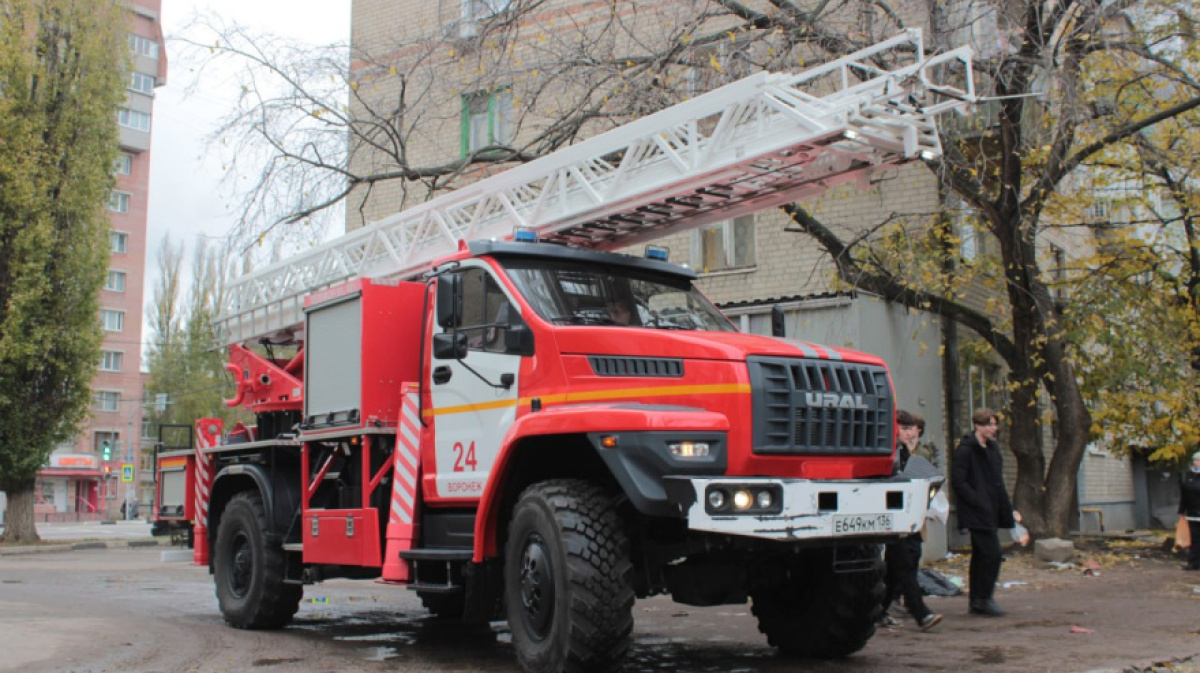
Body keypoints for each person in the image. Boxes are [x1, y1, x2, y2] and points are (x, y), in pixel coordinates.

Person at [952, 407, 1021, 617]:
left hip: (990, 508)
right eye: (989, 424)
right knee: (992, 553)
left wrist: (1006, 509)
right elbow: (959, 481)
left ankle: (978, 599)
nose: (993, 428)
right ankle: (984, 597)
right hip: (977, 511)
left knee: (982, 555)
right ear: (978, 425)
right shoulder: (966, 450)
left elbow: (997, 482)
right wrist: (977, 500)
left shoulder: (992, 449)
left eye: (994, 424)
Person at [880, 410, 942, 631]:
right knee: (904, 563)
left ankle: (879, 611)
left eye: (909, 429)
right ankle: (921, 613)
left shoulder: (905, 452)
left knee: (897, 566)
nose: (906, 434)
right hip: (891, 515)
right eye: (903, 429)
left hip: (905, 515)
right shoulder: (886, 451)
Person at [1180, 450, 1200, 571]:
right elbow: (1184, 494)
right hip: (1192, 514)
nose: (1195, 463)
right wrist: (1181, 510)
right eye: (1195, 460)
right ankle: (1193, 562)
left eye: (1198, 460)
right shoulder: (1190, 476)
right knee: (1195, 539)